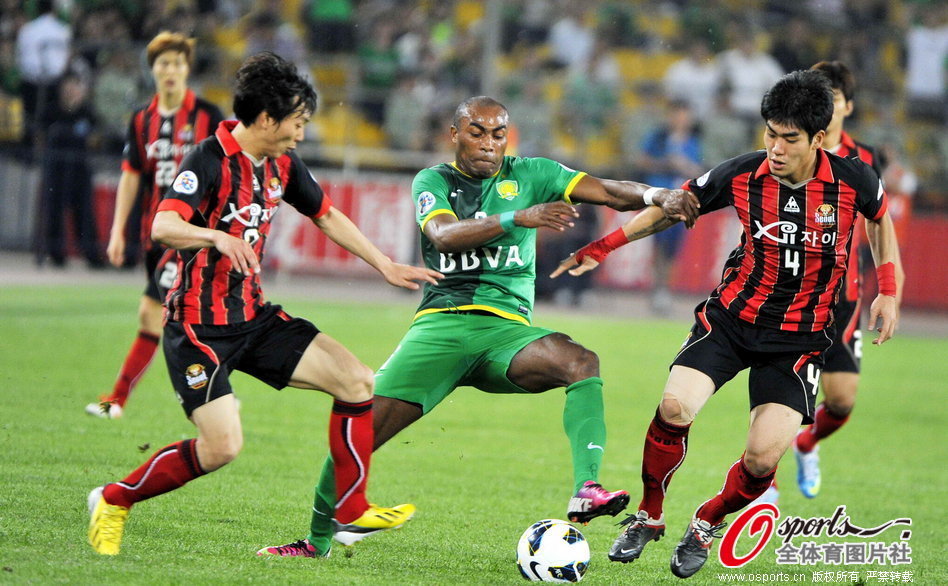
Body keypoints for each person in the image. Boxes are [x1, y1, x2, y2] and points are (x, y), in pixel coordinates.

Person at [256, 95, 700, 559]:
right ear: (454, 135)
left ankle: (586, 487)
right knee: (359, 433)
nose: (489, 143)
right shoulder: (434, 180)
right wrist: (520, 217)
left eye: (497, 134)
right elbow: (443, 235)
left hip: (506, 335)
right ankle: (316, 542)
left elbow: (609, 191)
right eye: (477, 132)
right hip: (441, 329)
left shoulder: (534, 173)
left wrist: (656, 196)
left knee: (582, 362)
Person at [86, 52, 442, 556]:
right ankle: (113, 499)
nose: (302, 134)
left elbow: (326, 214)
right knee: (222, 447)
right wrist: (214, 237)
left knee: (357, 380)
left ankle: (351, 506)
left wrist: (384, 264)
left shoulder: (282, 163)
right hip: (196, 327)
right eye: (296, 123)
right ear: (267, 119)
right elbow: (163, 226)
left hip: (253, 315)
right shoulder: (208, 159)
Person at [552, 71, 901, 579]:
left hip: (800, 342)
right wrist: (604, 246)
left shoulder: (854, 180)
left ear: (818, 140)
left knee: (761, 461)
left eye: (789, 139)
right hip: (732, 321)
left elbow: (881, 221)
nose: (775, 148)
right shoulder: (741, 173)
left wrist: (888, 290)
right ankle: (649, 515)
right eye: (770, 133)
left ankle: (706, 521)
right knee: (674, 406)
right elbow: (674, 208)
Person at [84, 32, 225, 419]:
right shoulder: (141, 119)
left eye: (177, 63)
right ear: (153, 70)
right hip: (155, 235)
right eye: (163, 64)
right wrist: (116, 230)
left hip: (190, 238)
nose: (170, 71)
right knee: (195, 319)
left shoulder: (208, 116)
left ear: (187, 69)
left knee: (150, 314)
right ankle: (219, 390)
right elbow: (131, 175)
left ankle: (115, 400)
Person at [784, 60, 904, 501]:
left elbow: (880, 227)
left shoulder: (868, 159)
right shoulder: (791, 150)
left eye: (833, 100)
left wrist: (891, 292)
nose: (826, 108)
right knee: (786, 396)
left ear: (847, 107)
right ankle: (760, 483)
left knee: (841, 402)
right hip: (795, 292)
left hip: (846, 294)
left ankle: (806, 444)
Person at [635, 99, 704, 316]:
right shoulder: (658, 138)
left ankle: (665, 290)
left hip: (682, 200)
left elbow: (698, 169)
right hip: (659, 199)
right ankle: (657, 289)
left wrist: (686, 167)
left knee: (673, 249)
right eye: (678, 115)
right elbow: (642, 161)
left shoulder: (693, 142)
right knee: (659, 246)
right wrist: (667, 163)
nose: (681, 120)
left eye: (685, 116)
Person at [37, 72, 102, 268]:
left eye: (75, 86)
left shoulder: (88, 113)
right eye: (67, 87)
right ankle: (55, 254)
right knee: (54, 211)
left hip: (80, 169)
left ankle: (91, 255)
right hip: (56, 169)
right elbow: (40, 137)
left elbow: (97, 138)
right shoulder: (50, 111)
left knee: (84, 211)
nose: (71, 91)